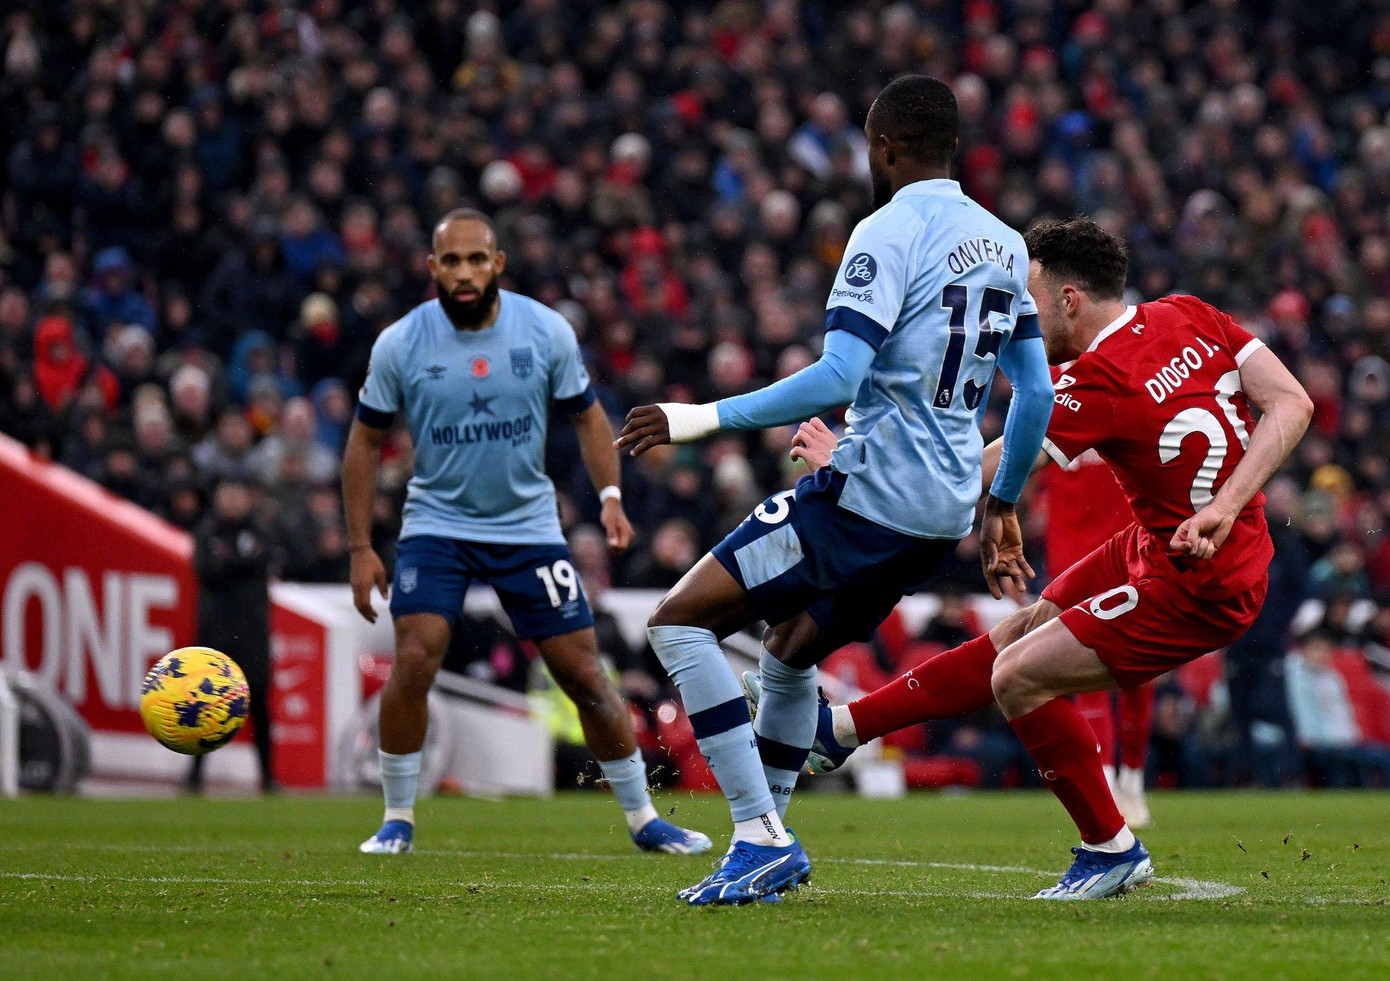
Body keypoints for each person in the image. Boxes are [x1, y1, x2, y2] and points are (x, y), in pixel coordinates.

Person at [615, 76, 1055, 905]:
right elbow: (1035, 394)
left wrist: (699, 418)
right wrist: (1002, 504)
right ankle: (770, 844)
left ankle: (756, 836)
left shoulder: (886, 231)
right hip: (938, 518)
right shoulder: (1004, 243)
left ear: (883, 147)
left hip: (865, 498)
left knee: (678, 624)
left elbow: (837, 376)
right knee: (787, 658)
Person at [780, 216, 1312, 899]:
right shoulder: (1189, 312)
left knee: (1019, 677)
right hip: (1176, 538)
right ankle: (841, 730)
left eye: (1026, 301)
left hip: (1200, 579)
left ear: (1069, 300)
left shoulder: (1093, 382)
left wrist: (844, 463)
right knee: (1018, 632)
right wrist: (1231, 502)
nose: (1014, 321)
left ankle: (1110, 845)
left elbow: (963, 472)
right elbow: (1292, 402)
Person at [344, 208, 709, 857]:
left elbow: (590, 419)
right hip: (438, 524)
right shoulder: (401, 342)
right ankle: (397, 816)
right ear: (431, 267)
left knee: (586, 676)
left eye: (475, 259)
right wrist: (359, 546)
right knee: (415, 656)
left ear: (498, 264)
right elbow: (365, 440)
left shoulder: (544, 330)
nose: (463, 272)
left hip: (528, 527)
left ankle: (644, 818)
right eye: (450, 260)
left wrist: (611, 497)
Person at [1037, 434, 1155, 827]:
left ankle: (1133, 781)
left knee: (1140, 670)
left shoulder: (1127, 383)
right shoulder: (1049, 389)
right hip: (1071, 551)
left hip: (1131, 543)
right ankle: (1104, 782)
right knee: (1088, 665)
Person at [189, 474, 276, 792]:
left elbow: (258, 560)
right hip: (215, 632)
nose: (233, 501)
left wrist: (230, 562)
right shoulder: (206, 531)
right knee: (204, 704)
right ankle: (194, 773)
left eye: (238, 494)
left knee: (260, 705)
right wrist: (239, 562)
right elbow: (206, 569)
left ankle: (268, 776)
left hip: (252, 632)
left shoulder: (260, 531)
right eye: (227, 495)